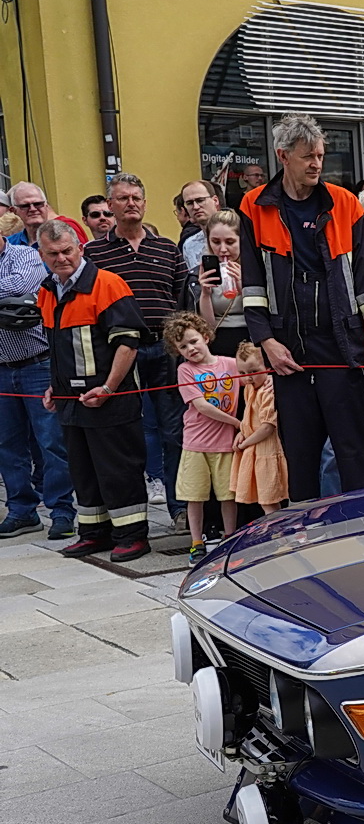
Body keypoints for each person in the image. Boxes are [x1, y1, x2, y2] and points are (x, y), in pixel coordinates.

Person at [236, 114, 364, 500]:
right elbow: (252, 284)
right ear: (283, 156)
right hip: (287, 346)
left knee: (352, 451)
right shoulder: (254, 205)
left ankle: (363, 528)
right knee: (299, 454)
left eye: (320, 155)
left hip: (341, 343)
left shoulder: (345, 203)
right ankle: (306, 537)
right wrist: (266, 341)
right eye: (307, 157)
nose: (317, 164)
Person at [35, 220, 149, 561]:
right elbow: (58, 347)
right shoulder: (47, 290)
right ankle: (94, 532)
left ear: (80, 248)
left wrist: (109, 387)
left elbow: (128, 344)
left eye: (67, 251)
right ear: (42, 254)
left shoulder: (108, 285)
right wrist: (54, 387)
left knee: (118, 468)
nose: (61, 259)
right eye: (53, 254)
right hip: (71, 401)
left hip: (110, 398)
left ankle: (132, 535)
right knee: (82, 470)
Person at [84, 172, 191, 529]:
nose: (131, 203)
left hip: (165, 350)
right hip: (118, 353)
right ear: (111, 206)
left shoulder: (167, 249)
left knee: (174, 431)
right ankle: (133, 513)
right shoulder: (93, 253)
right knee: (127, 433)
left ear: (145, 204)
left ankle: (179, 509)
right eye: (123, 198)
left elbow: (182, 301)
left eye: (136, 198)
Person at [0, 231, 72, 539]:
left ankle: (62, 511)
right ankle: (22, 510)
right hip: (1, 369)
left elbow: (19, 287)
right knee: (7, 445)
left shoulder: (26, 256)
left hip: (37, 364)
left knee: (51, 442)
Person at [164, 312, 239, 562]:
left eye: (193, 341)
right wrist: (238, 423)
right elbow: (203, 406)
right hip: (196, 443)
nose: (190, 348)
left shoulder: (230, 364)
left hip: (225, 444)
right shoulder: (185, 371)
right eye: (183, 346)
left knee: (228, 494)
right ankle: (197, 541)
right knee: (195, 496)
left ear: (206, 337)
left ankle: (230, 536)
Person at [230, 342, 286, 513]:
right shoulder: (249, 389)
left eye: (254, 372)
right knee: (264, 499)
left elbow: (268, 426)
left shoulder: (268, 391)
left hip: (266, 450)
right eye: (243, 373)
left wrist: (246, 442)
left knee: (269, 499)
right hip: (255, 449)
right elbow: (248, 416)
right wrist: (242, 432)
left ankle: (278, 532)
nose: (248, 377)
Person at [194, 209, 247, 355]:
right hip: (219, 341)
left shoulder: (255, 268)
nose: (223, 249)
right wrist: (204, 293)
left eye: (230, 242)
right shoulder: (204, 271)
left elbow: (259, 316)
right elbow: (208, 326)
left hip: (250, 340)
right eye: (216, 242)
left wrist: (244, 286)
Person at [6, 183, 88, 248]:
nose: (33, 209)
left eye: (38, 204)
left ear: (46, 205)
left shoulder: (66, 229)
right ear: (13, 210)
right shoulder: (8, 244)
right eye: (25, 206)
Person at [178, 180, 222, 269]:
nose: (196, 207)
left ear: (215, 201)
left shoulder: (239, 235)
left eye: (200, 200)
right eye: (189, 203)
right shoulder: (188, 244)